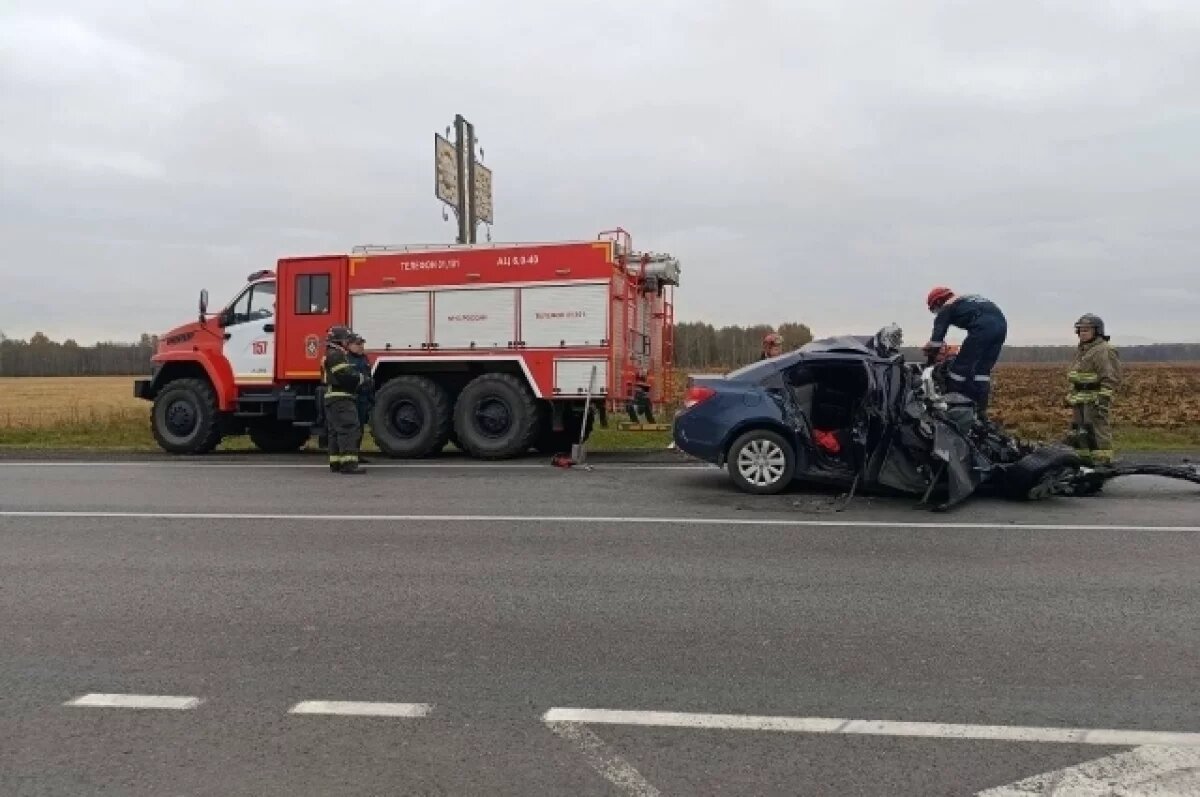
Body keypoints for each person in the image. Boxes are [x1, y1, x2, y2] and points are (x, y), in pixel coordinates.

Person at [923, 286, 1008, 417]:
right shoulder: (966, 299)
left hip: (982, 328)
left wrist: (929, 361)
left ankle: (954, 407)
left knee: (958, 371)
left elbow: (936, 340)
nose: (937, 313)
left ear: (938, 302)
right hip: (1001, 326)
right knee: (982, 372)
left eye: (934, 310)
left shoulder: (947, 307)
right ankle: (980, 412)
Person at [1065, 313, 1121, 466]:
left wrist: (1103, 400)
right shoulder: (1083, 350)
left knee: (1097, 432)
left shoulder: (1103, 350)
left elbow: (1110, 377)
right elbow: (1077, 376)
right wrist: (1071, 395)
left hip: (1095, 399)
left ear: (1097, 331)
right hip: (1080, 399)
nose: (1082, 333)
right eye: (1080, 330)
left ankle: (1102, 463)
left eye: (1086, 330)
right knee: (1080, 432)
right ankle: (1084, 462)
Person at [321, 325, 367, 474]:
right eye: (347, 339)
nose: (348, 342)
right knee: (349, 429)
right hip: (341, 398)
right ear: (340, 340)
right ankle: (349, 465)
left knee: (335, 431)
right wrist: (362, 379)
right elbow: (345, 376)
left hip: (333, 398)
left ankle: (336, 463)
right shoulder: (336, 355)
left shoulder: (331, 353)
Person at [347, 333, 374, 463]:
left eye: (362, 344)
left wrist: (371, 397)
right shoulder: (346, 359)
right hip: (353, 398)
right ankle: (350, 455)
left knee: (360, 427)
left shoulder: (363, 358)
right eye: (358, 344)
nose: (361, 346)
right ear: (349, 345)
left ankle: (356, 453)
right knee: (352, 427)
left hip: (363, 397)